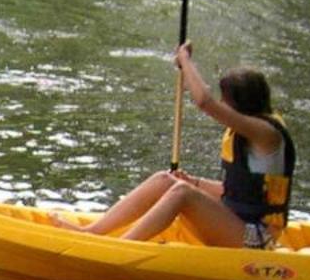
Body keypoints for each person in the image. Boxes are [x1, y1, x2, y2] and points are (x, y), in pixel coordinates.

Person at [57, 43, 296, 248]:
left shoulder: (266, 133)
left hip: (257, 238)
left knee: (182, 194)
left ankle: (122, 247)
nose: (222, 103)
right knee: (166, 180)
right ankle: (93, 231)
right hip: (237, 222)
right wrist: (194, 181)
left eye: (226, 99)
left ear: (240, 103)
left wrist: (185, 60)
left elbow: (204, 101)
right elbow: (240, 192)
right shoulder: (250, 131)